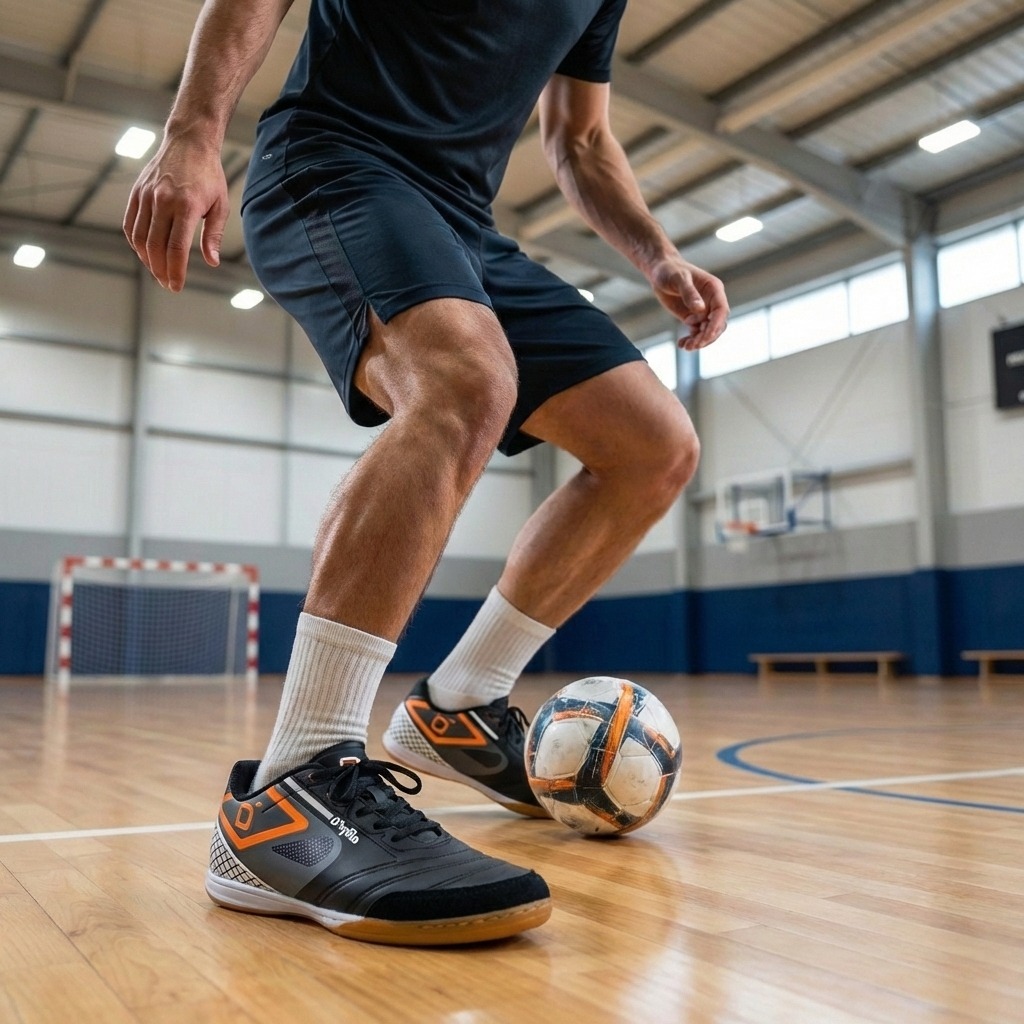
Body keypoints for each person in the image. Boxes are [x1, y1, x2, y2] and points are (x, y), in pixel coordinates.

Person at [124, 0, 728, 946]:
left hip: (462, 223)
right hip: (334, 163)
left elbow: (580, 137)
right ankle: (291, 789)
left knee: (653, 446)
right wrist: (192, 133)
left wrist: (657, 255)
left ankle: (459, 706)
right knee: (464, 380)